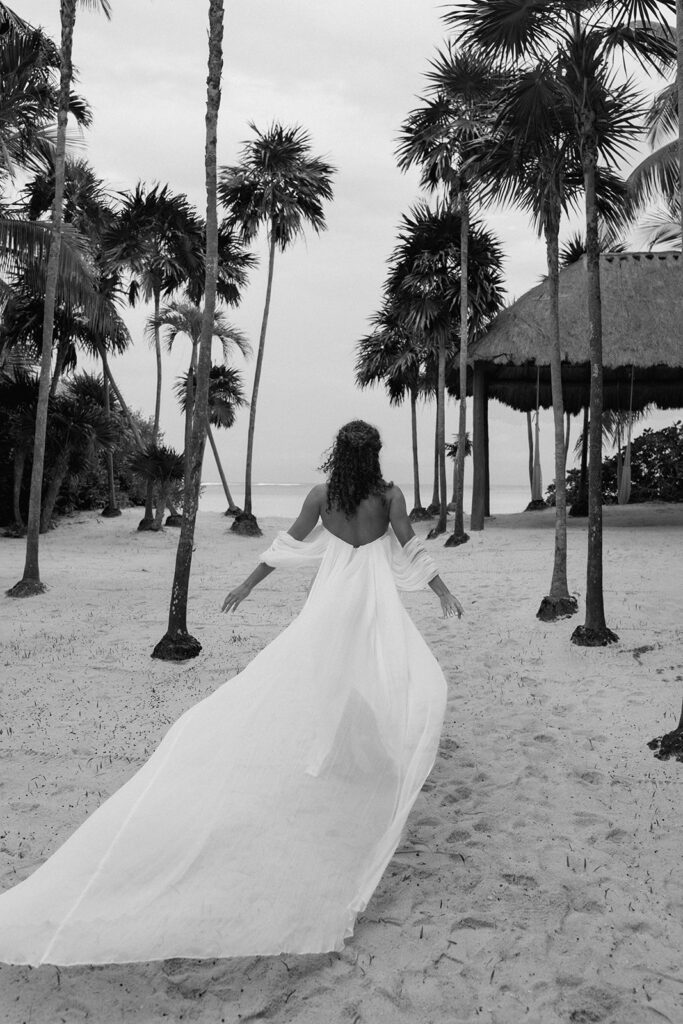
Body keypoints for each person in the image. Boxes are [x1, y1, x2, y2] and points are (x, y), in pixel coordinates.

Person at [0, 421, 462, 966]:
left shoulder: (322, 497)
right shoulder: (389, 497)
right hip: (376, 605)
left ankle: (341, 752)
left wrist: (247, 584)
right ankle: (352, 754)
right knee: (381, 676)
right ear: (376, 455)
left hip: (331, 605)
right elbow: (408, 547)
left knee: (332, 677)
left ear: (338, 453)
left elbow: (285, 547)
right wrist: (442, 591)